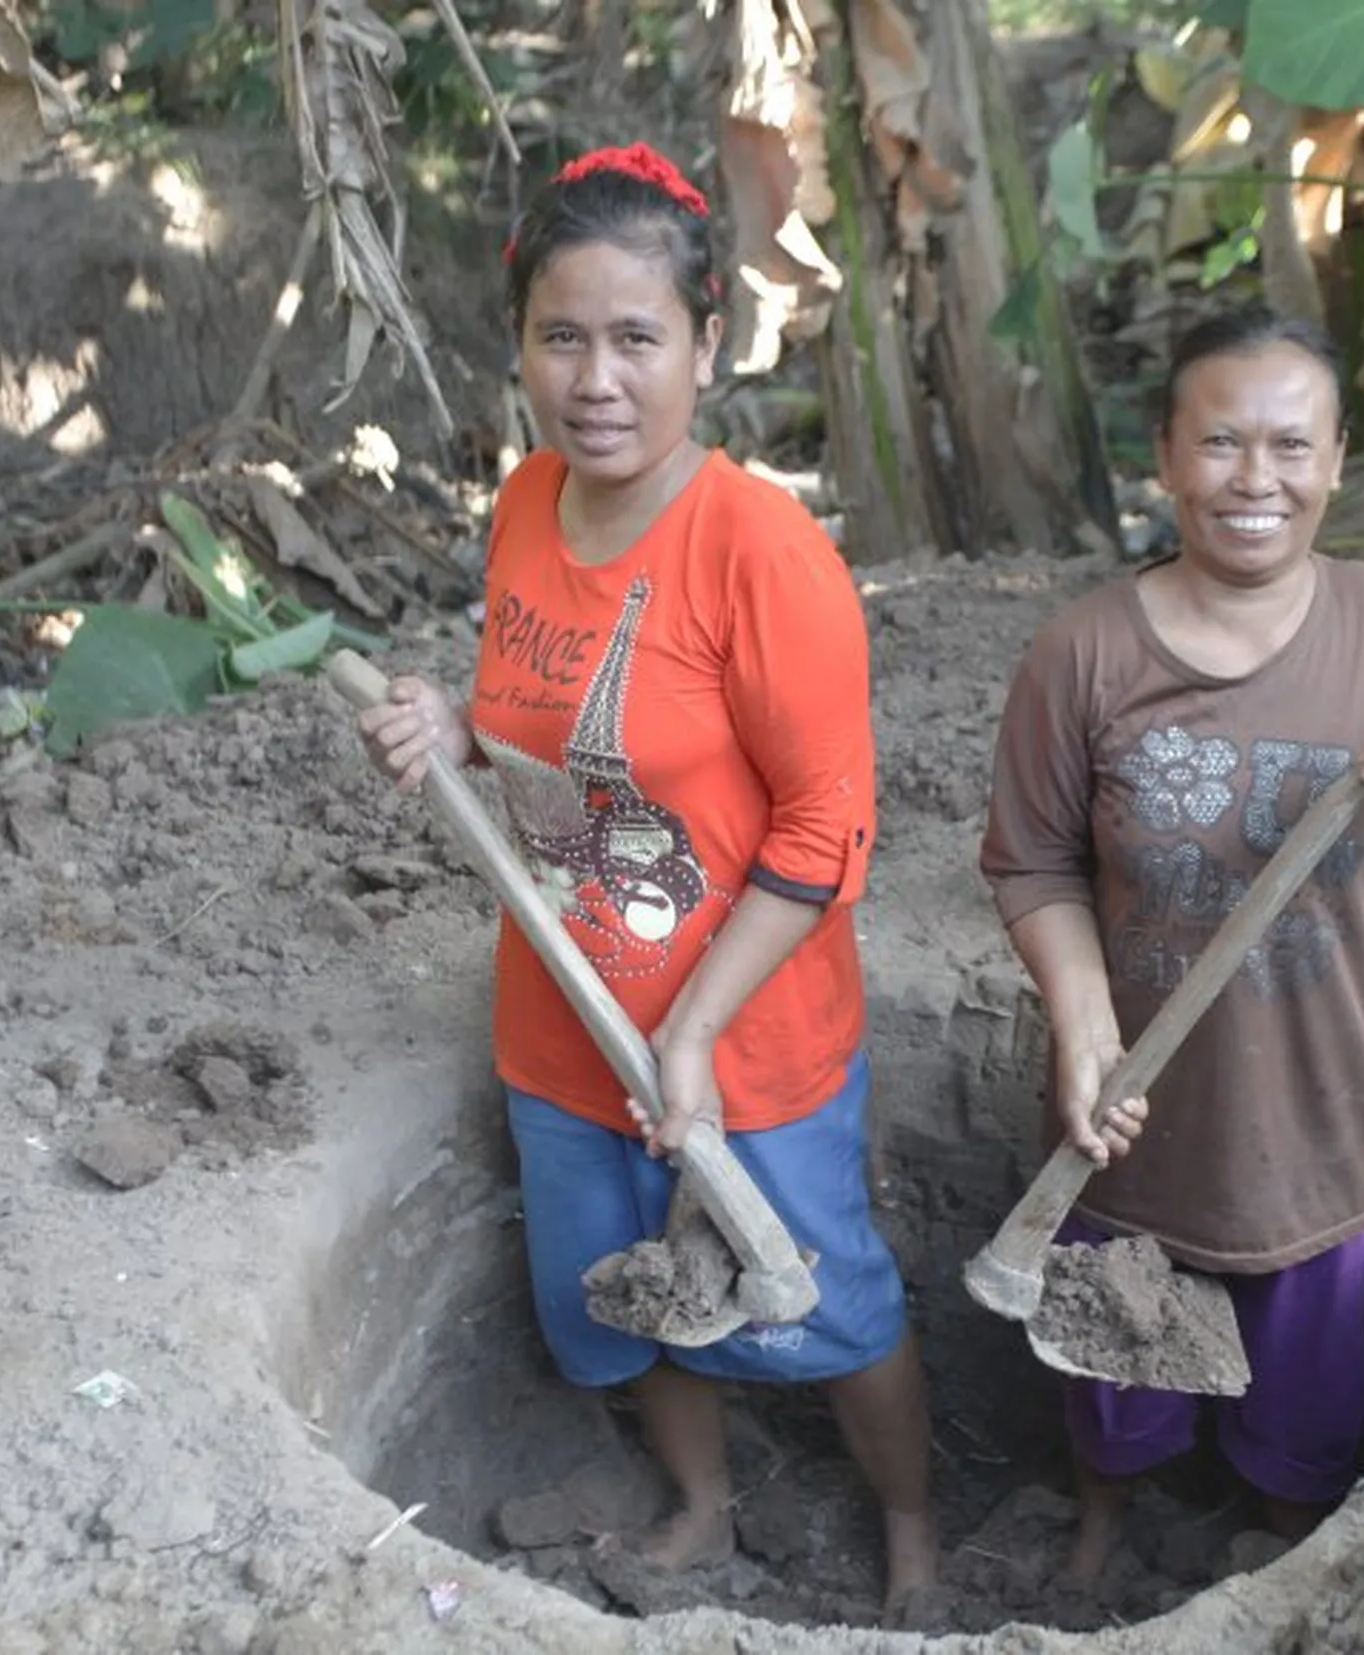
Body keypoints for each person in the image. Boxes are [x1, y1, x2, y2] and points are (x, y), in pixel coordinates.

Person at [356, 142, 936, 1615]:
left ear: (707, 346)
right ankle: (700, 1501)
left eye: (636, 338)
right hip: (562, 1023)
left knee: (824, 1294)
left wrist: (693, 1036)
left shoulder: (763, 553)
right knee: (625, 1288)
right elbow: (543, 746)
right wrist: (451, 737)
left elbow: (824, 832)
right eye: (563, 336)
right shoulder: (524, 505)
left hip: (743, 1040)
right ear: (520, 349)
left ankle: (916, 1526)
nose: (595, 378)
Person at [978, 305, 1364, 1581]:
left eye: (1290, 445)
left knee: (1302, 1397)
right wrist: (1086, 1026)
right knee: (1111, 1364)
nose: (1255, 479)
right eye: (1220, 442)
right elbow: (1033, 860)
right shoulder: (1083, 652)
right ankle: (1104, 1511)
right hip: (1131, 1115)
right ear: (1165, 453)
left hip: (1318, 1114)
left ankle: (1277, 1548)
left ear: (1334, 458)